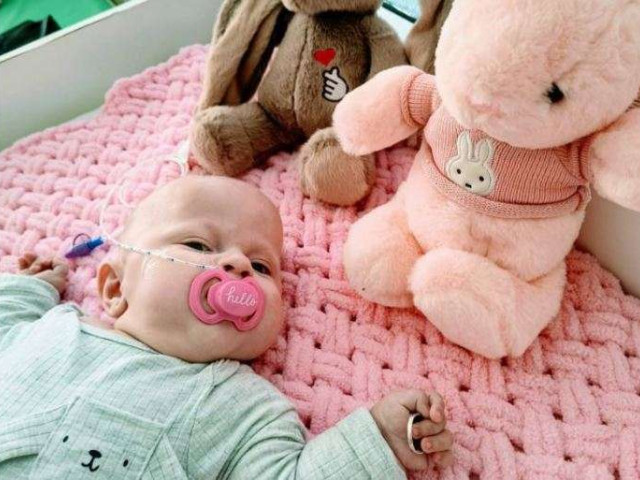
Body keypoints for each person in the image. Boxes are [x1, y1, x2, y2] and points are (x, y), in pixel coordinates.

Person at [0, 175, 453, 478]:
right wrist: (29, 288)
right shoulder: (52, 331)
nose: (237, 264)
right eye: (199, 245)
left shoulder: (245, 411)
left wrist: (377, 439)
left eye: (261, 266)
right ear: (116, 288)